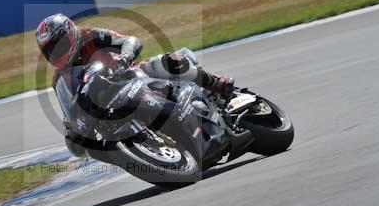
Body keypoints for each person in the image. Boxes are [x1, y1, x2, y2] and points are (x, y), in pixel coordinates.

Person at [35, 13, 235, 156]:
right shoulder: (59, 79)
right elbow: (70, 110)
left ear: (71, 34)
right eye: (50, 50)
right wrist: (72, 130)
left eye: (59, 45)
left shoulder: (92, 36)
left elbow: (131, 41)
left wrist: (124, 58)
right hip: (107, 105)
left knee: (167, 62)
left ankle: (216, 85)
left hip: (133, 75)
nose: (55, 53)